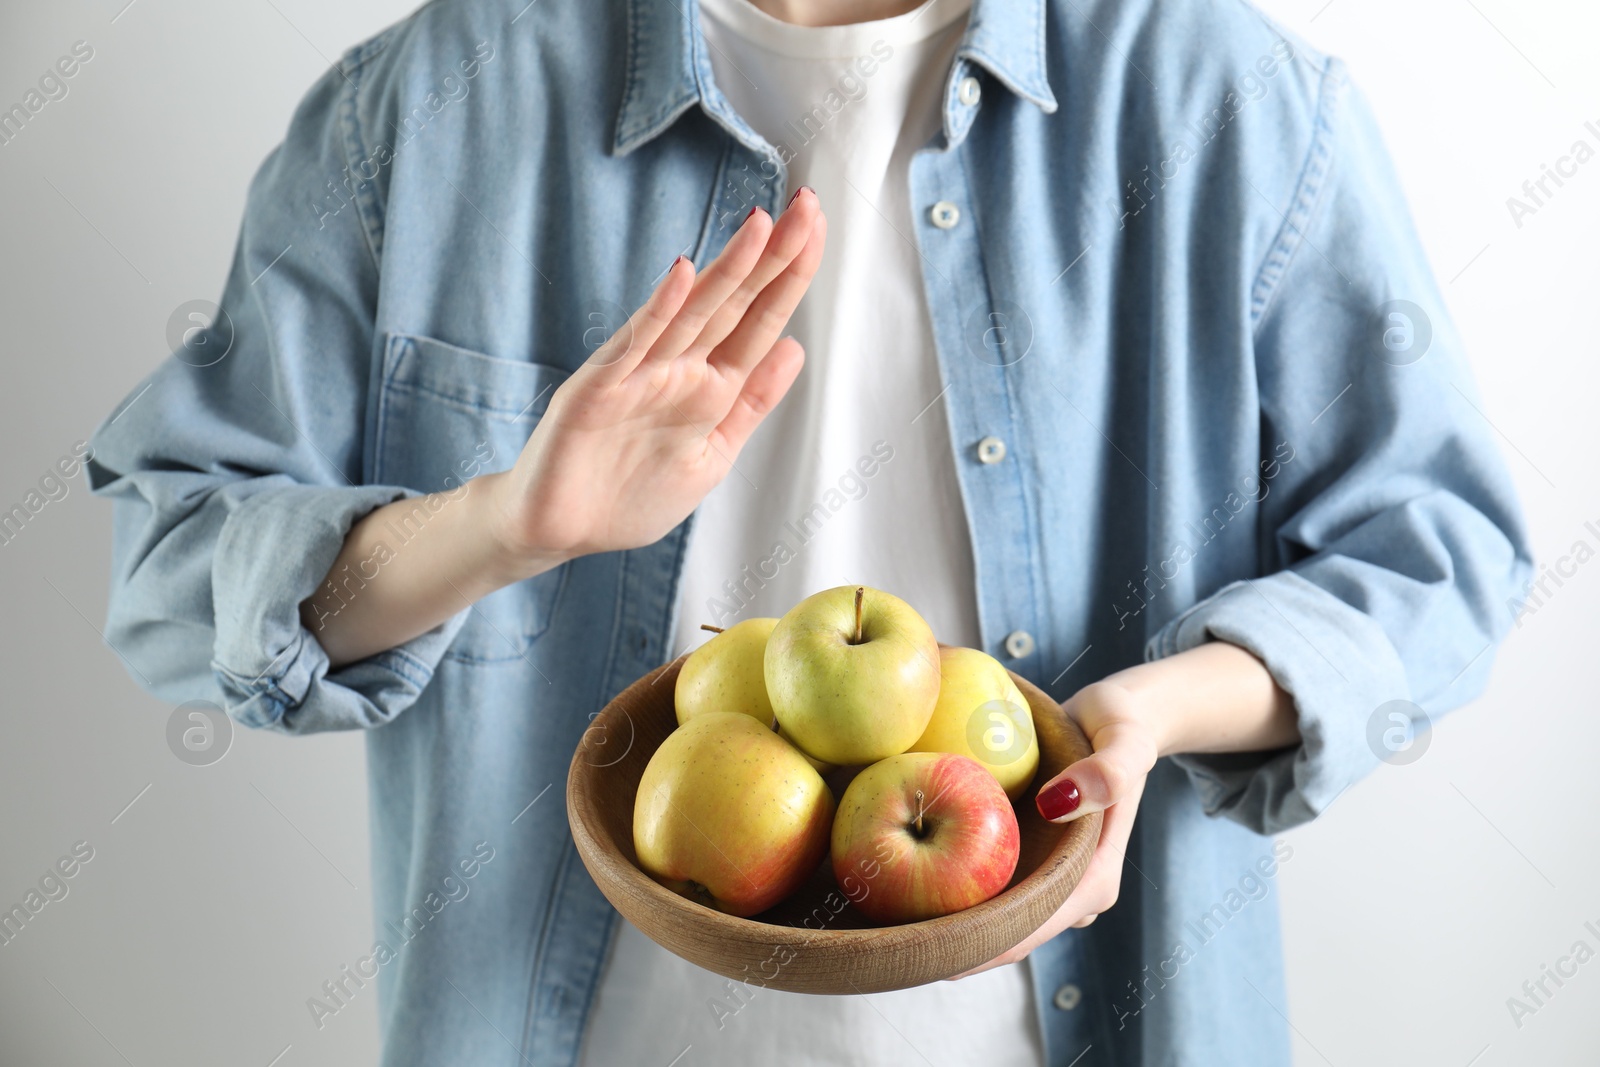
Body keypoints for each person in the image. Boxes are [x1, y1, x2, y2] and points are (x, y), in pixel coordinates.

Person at [85, 0, 1530, 1063]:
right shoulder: (428, 108)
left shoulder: (1226, 100)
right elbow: (171, 557)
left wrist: (1146, 715)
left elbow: (1438, 551)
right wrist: (493, 527)